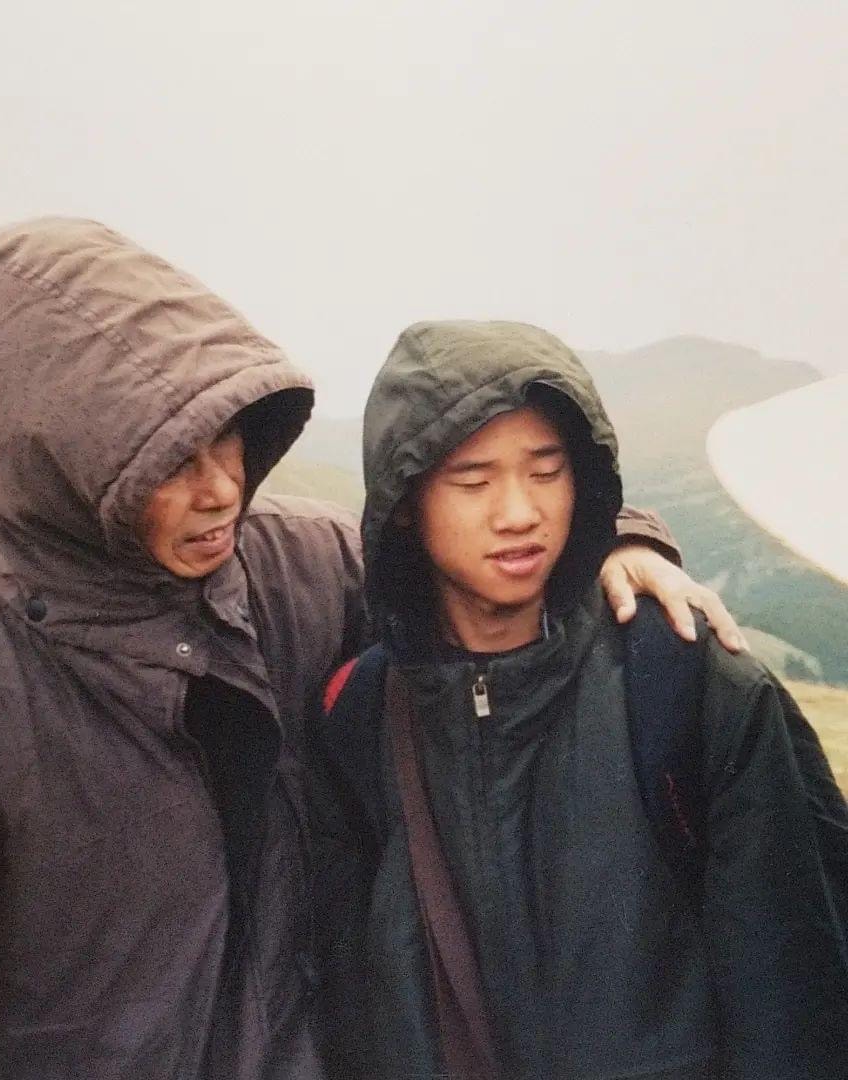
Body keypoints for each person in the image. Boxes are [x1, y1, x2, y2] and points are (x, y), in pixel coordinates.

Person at [0, 221, 736, 1079]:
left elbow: (449, 554)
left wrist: (617, 539)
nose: (223, 487)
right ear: (58, 471)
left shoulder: (290, 572)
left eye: (232, 440)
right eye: (168, 462)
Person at [310, 320, 848, 1079]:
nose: (518, 512)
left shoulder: (686, 681)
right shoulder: (359, 711)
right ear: (404, 500)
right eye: (473, 480)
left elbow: (794, 1000)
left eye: (546, 470)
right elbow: (343, 996)